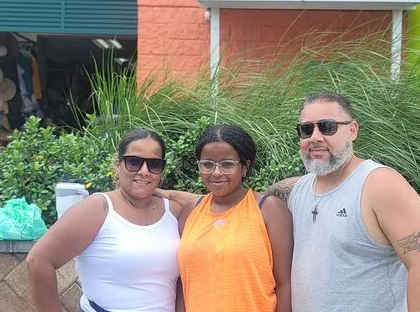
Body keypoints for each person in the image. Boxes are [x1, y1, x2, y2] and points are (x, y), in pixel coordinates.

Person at [268, 92, 420, 311]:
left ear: (352, 130)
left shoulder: (379, 185)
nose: (315, 137)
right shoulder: (297, 190)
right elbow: (258, 199)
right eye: (306, 129)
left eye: (327, 127)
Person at [27, 128, 182, 312]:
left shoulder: (173, 211)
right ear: (118, 164)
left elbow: (208, 201)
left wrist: (170, 194)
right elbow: (38, 261)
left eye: (154, 165)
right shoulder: (98, 209)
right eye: (134, 162)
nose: (144, 171)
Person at [177, 125, 292, 312]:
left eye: (227, 164)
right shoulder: (191, 211)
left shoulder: (268, 209)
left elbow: (284, 285)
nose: (216, 173)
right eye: (207, 164)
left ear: (244, 167)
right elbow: (183, 284)